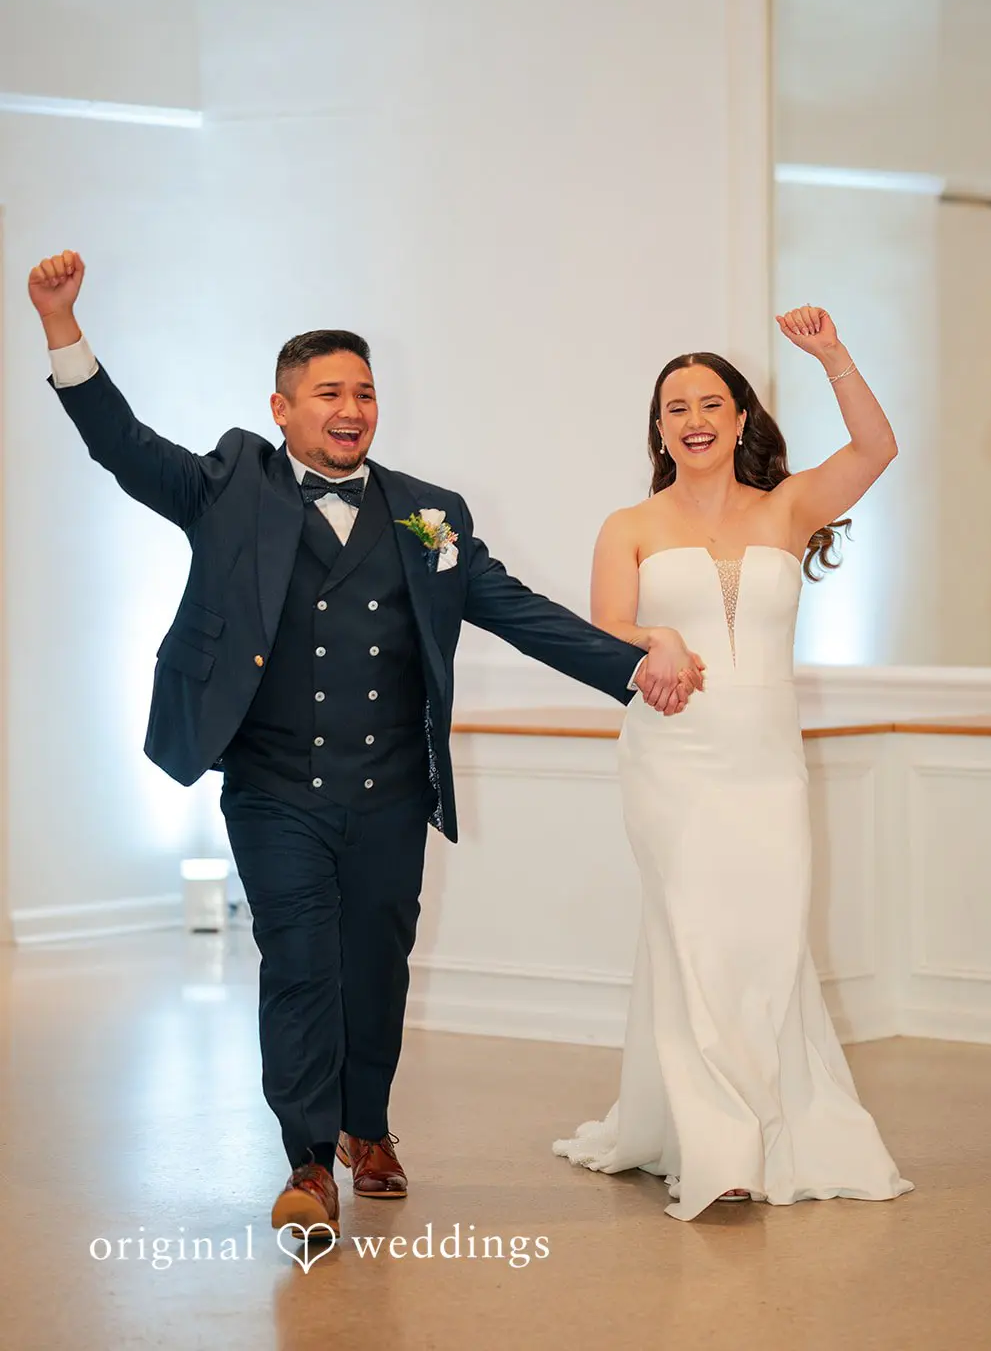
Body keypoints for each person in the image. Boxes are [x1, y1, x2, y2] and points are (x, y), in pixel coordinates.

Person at [28, 248, 704, 1238]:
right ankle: (307, 1162)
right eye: (330, 393)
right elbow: (122, 445)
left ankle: (367, 1126)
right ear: (282, 407)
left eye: (366, 393)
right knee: (300, 961)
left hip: (390, 787)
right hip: (272, 785)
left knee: (377, 965)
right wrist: (60, 324)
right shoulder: (230, 484)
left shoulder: (429, 514)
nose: (352, 410)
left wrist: (631, 669)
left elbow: (516, 610)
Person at [553, 304, 914, 1217]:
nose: (694, 418)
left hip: (766, 761)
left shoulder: (788, 506)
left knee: (766, 940)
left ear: (742, 416)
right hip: (672, 758)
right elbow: (605, 628)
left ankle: (768, 1122)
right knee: (692, 937)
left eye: (711, 402)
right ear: (659, 429)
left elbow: (876, 449)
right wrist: (659, 638)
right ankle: (719, 1149)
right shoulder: (629, 524)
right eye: (675, 407)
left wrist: (833, 355)